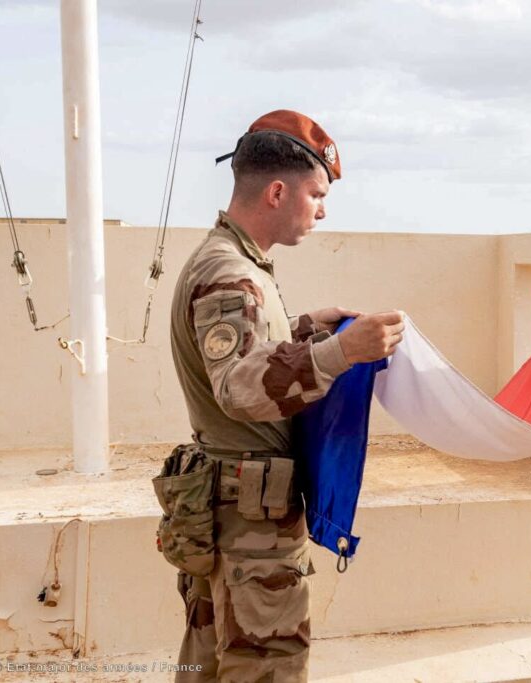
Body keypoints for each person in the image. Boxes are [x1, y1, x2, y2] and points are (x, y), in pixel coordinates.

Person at [164, 109, 404, 682]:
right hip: (249, 525)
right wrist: (340, 353)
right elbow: (236, 386)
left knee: (212, 666)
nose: (322, 210)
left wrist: (304, 329)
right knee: (265, 668)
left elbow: (245, 349)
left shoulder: (236, 262)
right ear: (277, 191)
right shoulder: (230, 273)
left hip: (235, 510)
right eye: (317, 195)